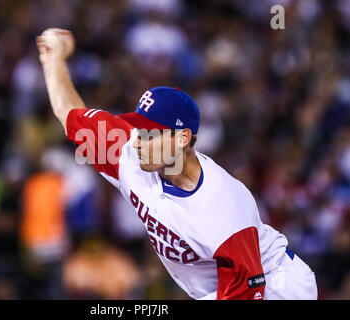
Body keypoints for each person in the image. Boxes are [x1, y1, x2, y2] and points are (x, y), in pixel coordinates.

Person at [36, 28, 318, 300]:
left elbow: (246, 291)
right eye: (138, 129)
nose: (137, 141)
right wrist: (54, 60)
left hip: (275, 285)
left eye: (149, 134)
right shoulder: (128, 153)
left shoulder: (223, 208)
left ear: (182, 138)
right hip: (220, 287)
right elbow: (70, 113)